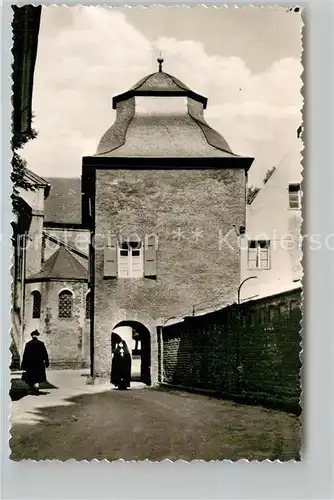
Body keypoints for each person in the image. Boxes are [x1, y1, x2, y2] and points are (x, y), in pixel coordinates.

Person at [21, 330, 49, 395]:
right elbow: (45, 354)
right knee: (37, 377)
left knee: (31, 377)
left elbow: (25, 355)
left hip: (31, 364)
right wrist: (46, 362)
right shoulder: (41, 344)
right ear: (37, 336)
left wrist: (23, 365)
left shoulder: (28, 344)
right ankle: (36, 388)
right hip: (39, 363)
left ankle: (34, 389)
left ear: (32, 336)